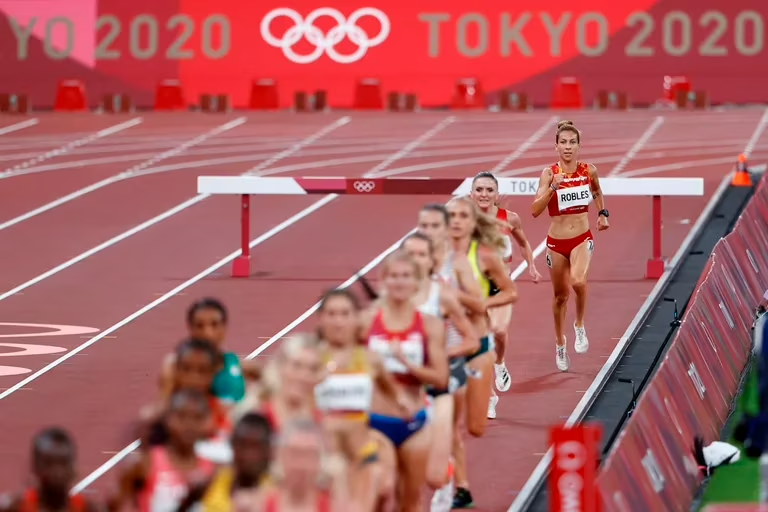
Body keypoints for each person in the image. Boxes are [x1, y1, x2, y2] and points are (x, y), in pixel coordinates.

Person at [361, 250, 449, 512]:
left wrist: (410, 365)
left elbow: (441, 378)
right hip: (375, 421)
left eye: (406, 276)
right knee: (379, 490)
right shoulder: (366, 322)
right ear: (384, 281)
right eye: (394, 276)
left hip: (414, 423)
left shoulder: (430, 325)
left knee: (409, 500)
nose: (399, 282)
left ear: (416, 282)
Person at [446, 195, 519, 509]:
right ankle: (455, 487)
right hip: (445, 349)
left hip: (477, 346)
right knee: (446, 423)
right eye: (452, 215)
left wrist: (482, 304)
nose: (458, 221)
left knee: (475, 426)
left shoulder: (485, 255)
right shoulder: (433, 257)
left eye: (464, 215)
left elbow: (510, 291)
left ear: (474, 221)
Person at [401, 232, 478, 498]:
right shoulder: (389, 297)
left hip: (439, 381)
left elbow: (471, 341)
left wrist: (445, 354)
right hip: (404, 387)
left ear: (430, 260)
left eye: (421, 254)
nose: (415, 260)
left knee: (446, 439)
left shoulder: (442, 295)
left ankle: (452, 489)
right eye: (410, 254)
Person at [531, 120, 609, 372]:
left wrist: (602, 213)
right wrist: (553, 188)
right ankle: (560, 342)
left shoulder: (589, 170)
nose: (567, 147)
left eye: (572, 142)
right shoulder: (549, 174)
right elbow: (534, 211)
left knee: (578, 281)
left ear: (579, 146)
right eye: (563, 142)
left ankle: (579, 326)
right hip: (555, 243)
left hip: (581, 238)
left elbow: (597, 192)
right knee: (560, 296)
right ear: (556, 147)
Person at [314, 289, 400, 511]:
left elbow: (394, 396)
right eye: (331, 314)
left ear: (356, 318)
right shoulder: (308, 359)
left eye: (345, 314)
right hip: (321, 458)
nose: (338, 321)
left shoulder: (371, 359)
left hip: (361, 455)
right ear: (321, 318)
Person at [470, 171, 541, 415]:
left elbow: (523, 243)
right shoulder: (464, 219)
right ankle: (490, 396)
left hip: (501, 288)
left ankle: (500, 363)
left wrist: (531, 265)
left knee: (499, 332)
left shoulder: (510, 219)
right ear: (471, 193)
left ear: (496, 194)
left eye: (489, 190)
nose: (484, 194)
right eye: (479, 189)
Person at [109, 389, 216, 512]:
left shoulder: (212, 470)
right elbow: (117, 503)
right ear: (167, 419)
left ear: (208, 422)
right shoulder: (145, 464)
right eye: (181, 417)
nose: (189, 425)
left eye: (198, 418)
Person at [145, 338, 232, 463]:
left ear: (214, 372)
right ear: (175, 370)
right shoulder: (159, 419)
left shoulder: (225, 414)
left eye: (202, 371)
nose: (193, 378)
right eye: (186, 369)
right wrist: (166, 389)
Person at [160, 298, 255, 407]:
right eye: (200, 326)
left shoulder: (241, 366)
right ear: (190, 328)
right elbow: (162, 408)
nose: (207, 333)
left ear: (224, 327)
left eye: (214, 325)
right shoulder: (174, 367)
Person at [177, 412, 274, 511]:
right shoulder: (211, 481)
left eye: (256, 447)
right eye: (242, 445)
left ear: (269, 451)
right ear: (232, 445)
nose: (248, 455)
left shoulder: (276, 493)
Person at [0, 428, 103, 512]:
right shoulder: (16, 507)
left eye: (63, 463)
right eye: (49, 464)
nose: (57, 472)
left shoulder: (86, 509)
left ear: (73, 468)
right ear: (35, 467)